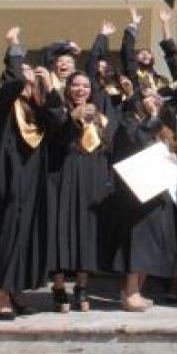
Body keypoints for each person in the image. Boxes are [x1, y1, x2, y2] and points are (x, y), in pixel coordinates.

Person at [0, 27, 49, 318]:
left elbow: (59, 119)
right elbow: (13, 81)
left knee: (26, 231)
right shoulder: (5, 104)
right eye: (23, 71)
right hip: (8, 175)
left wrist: (48, 86)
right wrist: (15, 47)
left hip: (34, 178)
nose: (28, 75)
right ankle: (0, 292)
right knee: (7, 230)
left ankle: (16, 287)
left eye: (31, 72)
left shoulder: (40, 109)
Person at [44, 71, 114, 313]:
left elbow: (109, 148)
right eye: (76, 84)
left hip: (92, 177)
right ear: (68, 88)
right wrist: (72, 117)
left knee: (87, 230)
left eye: (85, 85)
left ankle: (82, 287)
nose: (81, 89)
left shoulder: (101, 118)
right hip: (63, 174)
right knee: (60, 229)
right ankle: (59, 286)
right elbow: (57, 139)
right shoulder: (58, 111)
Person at [109, 85, 177, 312]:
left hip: (157, 189)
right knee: (137, 242)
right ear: (138, 100)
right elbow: (138, 140)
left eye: (156, 96)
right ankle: (130, 291)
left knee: (152, 240)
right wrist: (154, 116)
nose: (154, 99)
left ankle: (138, 289)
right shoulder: (128, 122)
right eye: (148, 95)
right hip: (135, 193)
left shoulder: (159, 124)